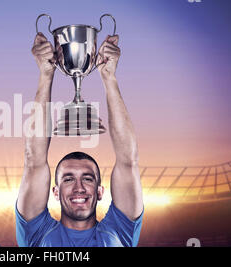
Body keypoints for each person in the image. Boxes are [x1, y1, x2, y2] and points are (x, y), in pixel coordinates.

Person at [15, 32, 144, 247]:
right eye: (67, 179)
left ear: (101, 191)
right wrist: (46, 74)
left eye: (88, 178)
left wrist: (109, 76)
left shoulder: (120, 232)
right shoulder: (36, 234)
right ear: (54, 192)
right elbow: (33, 161)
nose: (79, 187)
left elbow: (128, 160)